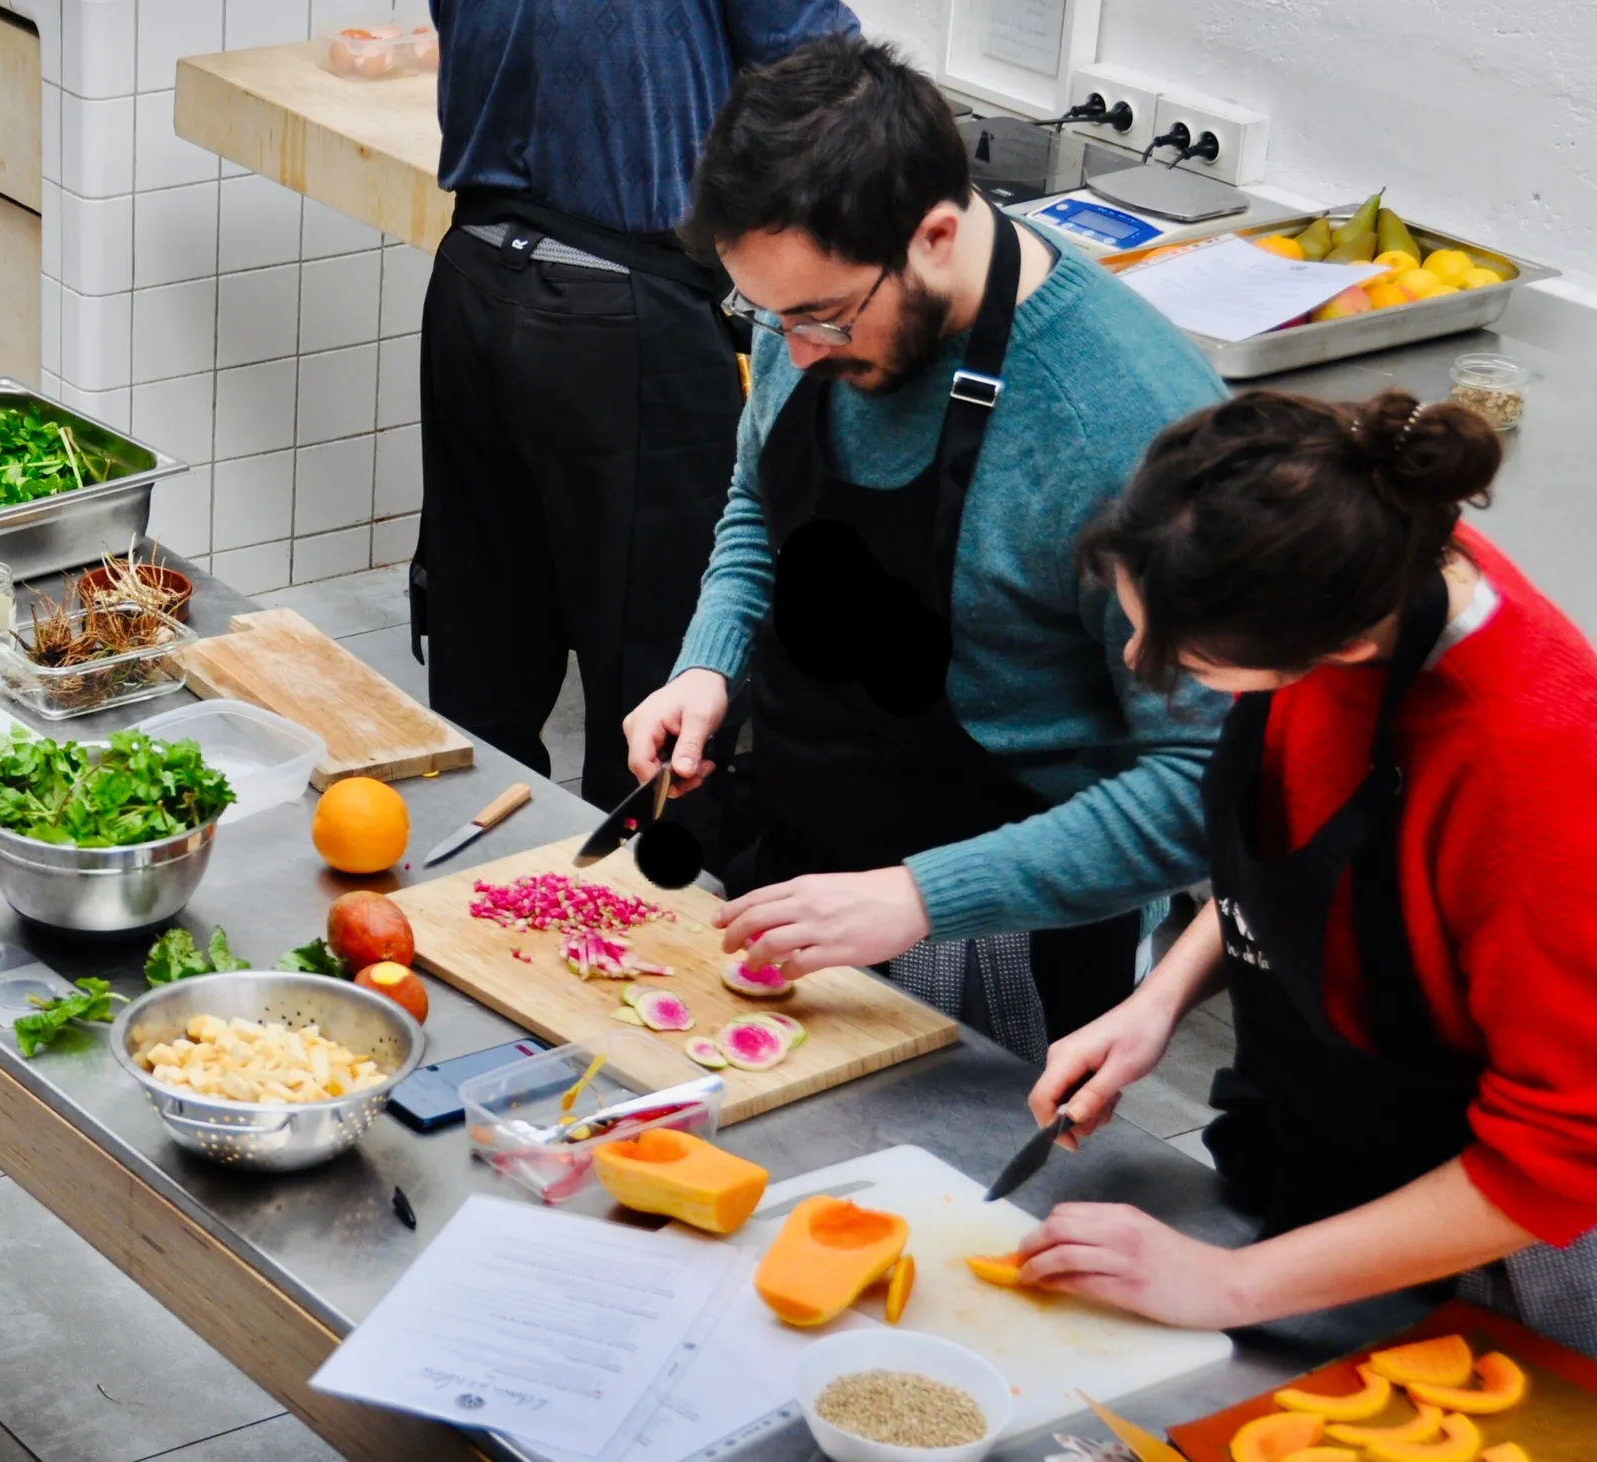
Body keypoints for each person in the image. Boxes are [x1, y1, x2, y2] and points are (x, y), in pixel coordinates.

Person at [621, 36, 1228, 1054]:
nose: (793, 348)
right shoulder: (804, 295)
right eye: (764, 314)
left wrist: (921, 896)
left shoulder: (1126, 428)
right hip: (799, 865)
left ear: (937, 233)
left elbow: (1208, 782)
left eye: (821, 317)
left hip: (1005, 933)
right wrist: (708, 660)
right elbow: (755, 510)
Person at [1018, 390, 1597, 1357]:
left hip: (1501, 1247)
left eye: (1186, 659)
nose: (1135, 657)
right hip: (1325, 1146)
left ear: (1336, 648)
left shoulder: (1534, 768)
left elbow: (1558, 1155)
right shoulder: (1357, 563)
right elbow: (1298, 848)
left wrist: (1229, 1282)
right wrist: (1159, 999)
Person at [415, 0, 859, 814]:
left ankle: (470, 912)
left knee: (483, 660)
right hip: (619, 310)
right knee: (663, 692)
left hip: (472, 279)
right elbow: (822, 79)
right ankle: (633, 923)